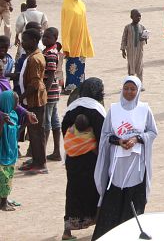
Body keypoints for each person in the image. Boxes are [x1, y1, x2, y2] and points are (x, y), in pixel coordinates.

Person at [92, 76, 158, 240]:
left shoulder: (144, 110)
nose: (129, 92)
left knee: (134, 201)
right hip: (117, 166)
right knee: (113, 201)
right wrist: (119, 141)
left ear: (138, 91)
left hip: (136, 164)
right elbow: (106, 134)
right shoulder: (114, 110)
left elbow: (152, 132)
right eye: (126, 88)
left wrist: (136, 139)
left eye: (133, 89)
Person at [61, 78, 105, 239]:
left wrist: (76, 144)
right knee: (95, 191)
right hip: (91, 161)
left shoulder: (72, 108)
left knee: (72, 191)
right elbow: (103, 137)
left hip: (72, 159)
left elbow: (65, 131)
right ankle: (97, 228)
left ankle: (67, 230)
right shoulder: (97, 110)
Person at [18, 29, 47, 173]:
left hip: (35, 101)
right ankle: (36, 160)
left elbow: (35, 83)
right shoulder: (32, 56)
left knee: (36, 133)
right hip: (32, 101)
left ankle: (40, 164)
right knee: (33, 132)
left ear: (34, 41)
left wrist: (20, 98)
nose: (22, 43)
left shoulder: (35, 59)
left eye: (25, 40)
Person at [61, 0, 94, 92]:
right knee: (72, 65)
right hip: (72, 41)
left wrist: (86, 39)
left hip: (82, 39)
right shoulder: (67, 7)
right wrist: (66, 45)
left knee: (81, 64)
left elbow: (84, 23)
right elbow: (65, 27)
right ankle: (70, 87)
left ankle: (80, 87)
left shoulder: (82, 5)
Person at [42, 27, 62, 161]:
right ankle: (56, 152)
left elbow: (50, 75)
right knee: (54, 121)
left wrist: (45, 91)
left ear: (55, 39)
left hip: (49, 92)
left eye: (48, 37)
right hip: (54, 92)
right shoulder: (50, 51)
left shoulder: (51, 54)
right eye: (43, 37)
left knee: (46, 122)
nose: (44, 39)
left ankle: (41, 153)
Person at [0, 90, 19, 211]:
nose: (17, 105)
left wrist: (27, 121)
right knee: (3, 178)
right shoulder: (2, 117)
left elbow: (16, 132)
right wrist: (1, 123)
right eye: (15, 102)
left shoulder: (13, 115)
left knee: (9, 178)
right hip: (2, 152)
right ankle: (3, 203)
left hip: (11, 152)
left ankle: (4, 199)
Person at [120, 9, 147, 86]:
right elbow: (124, 38)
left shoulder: (142, 27)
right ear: (131, 17)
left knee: (140, 67)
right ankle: (131, 84)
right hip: (130, 51)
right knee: (131, 67)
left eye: (140, 16)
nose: (138, 18)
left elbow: (145, 39)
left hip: (139, 50)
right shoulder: (127, 27)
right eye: (136, 16)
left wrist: (144, 39)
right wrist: (123, 49)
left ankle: (140, 84)